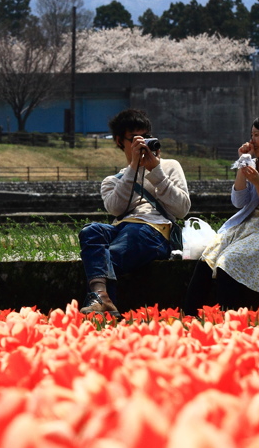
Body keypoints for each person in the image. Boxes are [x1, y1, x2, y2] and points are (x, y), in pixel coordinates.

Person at [183, 115, 259, 314]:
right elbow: (239, 203)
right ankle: (188, 319)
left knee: (227, 264)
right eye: (251, 135)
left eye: (257, 135)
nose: (252, 141)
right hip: (244, 226)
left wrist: (258, 183)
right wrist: (242, 165)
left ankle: (231, 324)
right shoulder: (256, 164)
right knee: (206, 263)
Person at [78, 108, 191, 315]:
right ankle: (103, 299)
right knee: (90, 231)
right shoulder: (112, 180)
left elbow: (182, 209)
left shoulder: (169, 166)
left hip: (155, 231)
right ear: (121, 141)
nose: (144, 142)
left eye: (147, 137)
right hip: (122, 230)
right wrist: (133, 168)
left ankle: (100, 300)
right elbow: (115, 208)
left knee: (109, 254)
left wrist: (155, 171)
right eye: (137, 138)